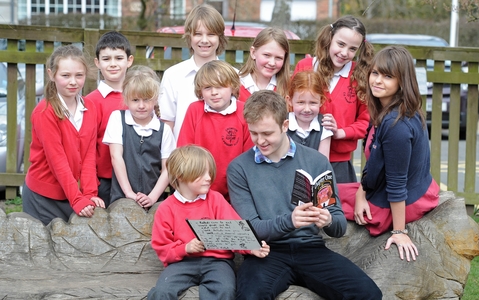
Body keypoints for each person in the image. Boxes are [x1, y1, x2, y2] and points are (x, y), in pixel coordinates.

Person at [227, 90, 382, 299]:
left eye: (267, 133)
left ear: (284, 126)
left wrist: (327, 219)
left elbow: (338, 226)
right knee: (249, 296)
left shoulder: (316, 161)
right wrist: (290, 221)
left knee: (368, 294)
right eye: (254, 133)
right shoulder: (239, 168)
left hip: (311, 249)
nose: (260, 141)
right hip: (267, 252)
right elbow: (251, 229)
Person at [341, 46, 440, 262]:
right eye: (375, 73)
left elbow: (397, 182)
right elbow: (374, 160)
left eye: (387, 76)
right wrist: (361, 192)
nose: (377, 80)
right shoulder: (387, 111)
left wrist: (399, 232)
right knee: (324, 190)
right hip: (385, 189)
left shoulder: (397, 125)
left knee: (318, 200)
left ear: (401, 82)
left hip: (397, 202)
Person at [147, 145, 270, 299]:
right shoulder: (166, 208)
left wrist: (252, 248)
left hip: (218, 263)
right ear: (180, 175)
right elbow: (162, 247)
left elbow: (235, 231)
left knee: (225, 289)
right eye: (201, 173)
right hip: (181, 263)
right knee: (162, 292)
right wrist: (185, 248)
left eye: (209, 172)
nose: (209, 177)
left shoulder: (216, 199)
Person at [22, 45, 104, 225]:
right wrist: (77, 199)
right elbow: (56, 160)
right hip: (43, 197)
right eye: (65, 76)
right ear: (52, 75)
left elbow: (89, 156)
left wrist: (90, 194)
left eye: (79, 75)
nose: (73, 81)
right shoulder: (44, 112)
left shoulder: (90, 108)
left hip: (71, 193)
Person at [294, 15, 375, 183]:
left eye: (353, 49)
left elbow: (365, 121)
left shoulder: (359, 76)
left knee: (336, 208)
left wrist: (340, 132)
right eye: (341, 44)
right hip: (301, 156)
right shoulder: (306, 66)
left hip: (339, 163)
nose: (345, 53)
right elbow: (290, 107)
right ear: (330, 38)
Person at [177, 60, 253, 201]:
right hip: (198, 190)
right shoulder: (194, 110)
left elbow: (249, 156)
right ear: (200, 91)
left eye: (220, 87)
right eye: (207, 88)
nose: (214, 93)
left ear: (233, 86)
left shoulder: (244, 111)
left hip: (236, 189)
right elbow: (184, 152)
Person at [103, 65, 176, 208]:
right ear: (126, 98)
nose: (141, 105)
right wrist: (128, 192)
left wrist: (152, 197)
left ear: (155, 99)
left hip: (154, 200)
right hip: (121, 198)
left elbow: (167, 168)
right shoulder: (118, 118)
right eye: (135, 100)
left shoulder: (164, 130)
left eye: (147, 99)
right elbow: (116, 157)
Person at [159, 3, 227, 138]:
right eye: (198, 34)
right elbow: (167, 124)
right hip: (183, 156)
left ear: (220, 37)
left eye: (211, 34)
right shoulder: (173, 75)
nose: (204, 40)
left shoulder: (233, 76)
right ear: (189, 37)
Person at [84, 31, 134, 206]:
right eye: (106, 59)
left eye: (119, 58)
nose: (113, 64)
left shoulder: (139, 100)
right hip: (103, 181)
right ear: (97, 63)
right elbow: (87, 149)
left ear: (129, 61)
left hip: (135, 178)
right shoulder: (90, 102)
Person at [286, 70, 333, 159]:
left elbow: (323, 161)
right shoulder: (283, 123)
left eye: (313, 103)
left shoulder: (324, 125)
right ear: (290, 100)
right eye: (301, 102)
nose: (307, 109)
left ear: (321, 101)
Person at [238, 27, 290, 102]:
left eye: (278, 58)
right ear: (253, 53)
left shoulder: (288, 87)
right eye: (267, 55)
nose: (272, 63)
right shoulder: (235, 85)